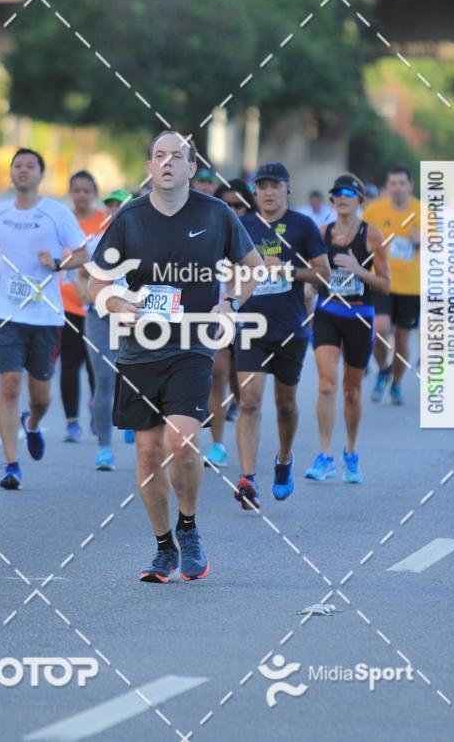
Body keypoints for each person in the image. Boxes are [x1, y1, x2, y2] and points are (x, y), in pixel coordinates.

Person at [88, 132, 262, 583]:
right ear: (150, 167)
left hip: (192, 345)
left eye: (177, 156)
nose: (167, 163)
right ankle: (164, 547)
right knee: (147, 452)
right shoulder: (129, 217)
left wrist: (231, 303)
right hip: (138, 350)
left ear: (191, 168)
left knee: (182, 443)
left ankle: (188, 527)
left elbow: (254, 268)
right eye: (159, 156)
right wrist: (117, 303)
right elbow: (96, 284)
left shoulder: (216, 213)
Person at [0, 148, 88, 490]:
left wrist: (57, 264)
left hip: (46, 315)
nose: (23, 170)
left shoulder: (56, 213)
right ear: (11, 173)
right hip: (6, 312)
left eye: (30, 166)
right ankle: (11, 464)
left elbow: (84, 253)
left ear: (41, 174)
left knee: (40, 397)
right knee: (9, 385)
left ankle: (33, 424)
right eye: (18, 166)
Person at [233, 163, 330, 509]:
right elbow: (226, 269)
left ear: (288, 189)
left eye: (275, 186)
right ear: (255, 192)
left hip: (290, 327)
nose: (268, 192)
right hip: (250, 325)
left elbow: (324, 275)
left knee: (285, 405)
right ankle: (248, 479)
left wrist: (288, 270)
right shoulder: (243, 226)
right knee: (249, 401)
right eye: (262, 186)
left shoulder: (303, 226)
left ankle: (284, 458)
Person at [306, 174, 390, 484]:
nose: (341, 197)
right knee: (326, 384)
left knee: (351, 392)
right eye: (336, 193)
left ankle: (350, 452)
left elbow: (385, 284)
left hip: (360, 315)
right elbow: (314, 271)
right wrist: (310, 285)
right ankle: (324, 455)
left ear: (359, 199)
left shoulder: (373, 235)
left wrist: (359, 271)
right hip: (328, 311)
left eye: (348, 193)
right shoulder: (322, 232)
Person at [205, 179, 257, 467]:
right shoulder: (208, 231)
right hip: (219, 315)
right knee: (217, 377)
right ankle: (217, 445)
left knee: (244, 391)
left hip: (250, 317)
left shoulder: (255, 235)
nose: (233, 211)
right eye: (227, 205)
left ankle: (247, 428)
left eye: (239, 205)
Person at [364, 166, 420, 405]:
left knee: (402, 338)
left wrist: (422, 241)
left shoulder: (423, 212)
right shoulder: (374, 210)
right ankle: (383, 370)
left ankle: (396, 383)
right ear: (387, 186)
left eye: (402, 183)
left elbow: (440, 247)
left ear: (411, 186)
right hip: (381, 280)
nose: (397, 188)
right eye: (393, 183)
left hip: (411, 286)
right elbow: (360, 240)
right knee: (379, 329)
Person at [59, 171, 106, 445]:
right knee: (69, 364)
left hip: (94, 305)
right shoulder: (63, 220)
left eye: (86, 190)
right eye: (76, 190)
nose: (81, 195)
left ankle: (95, 412)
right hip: (66, 305)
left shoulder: (104, 222)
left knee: (94, 367)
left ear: (94, 193)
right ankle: (71, 422)